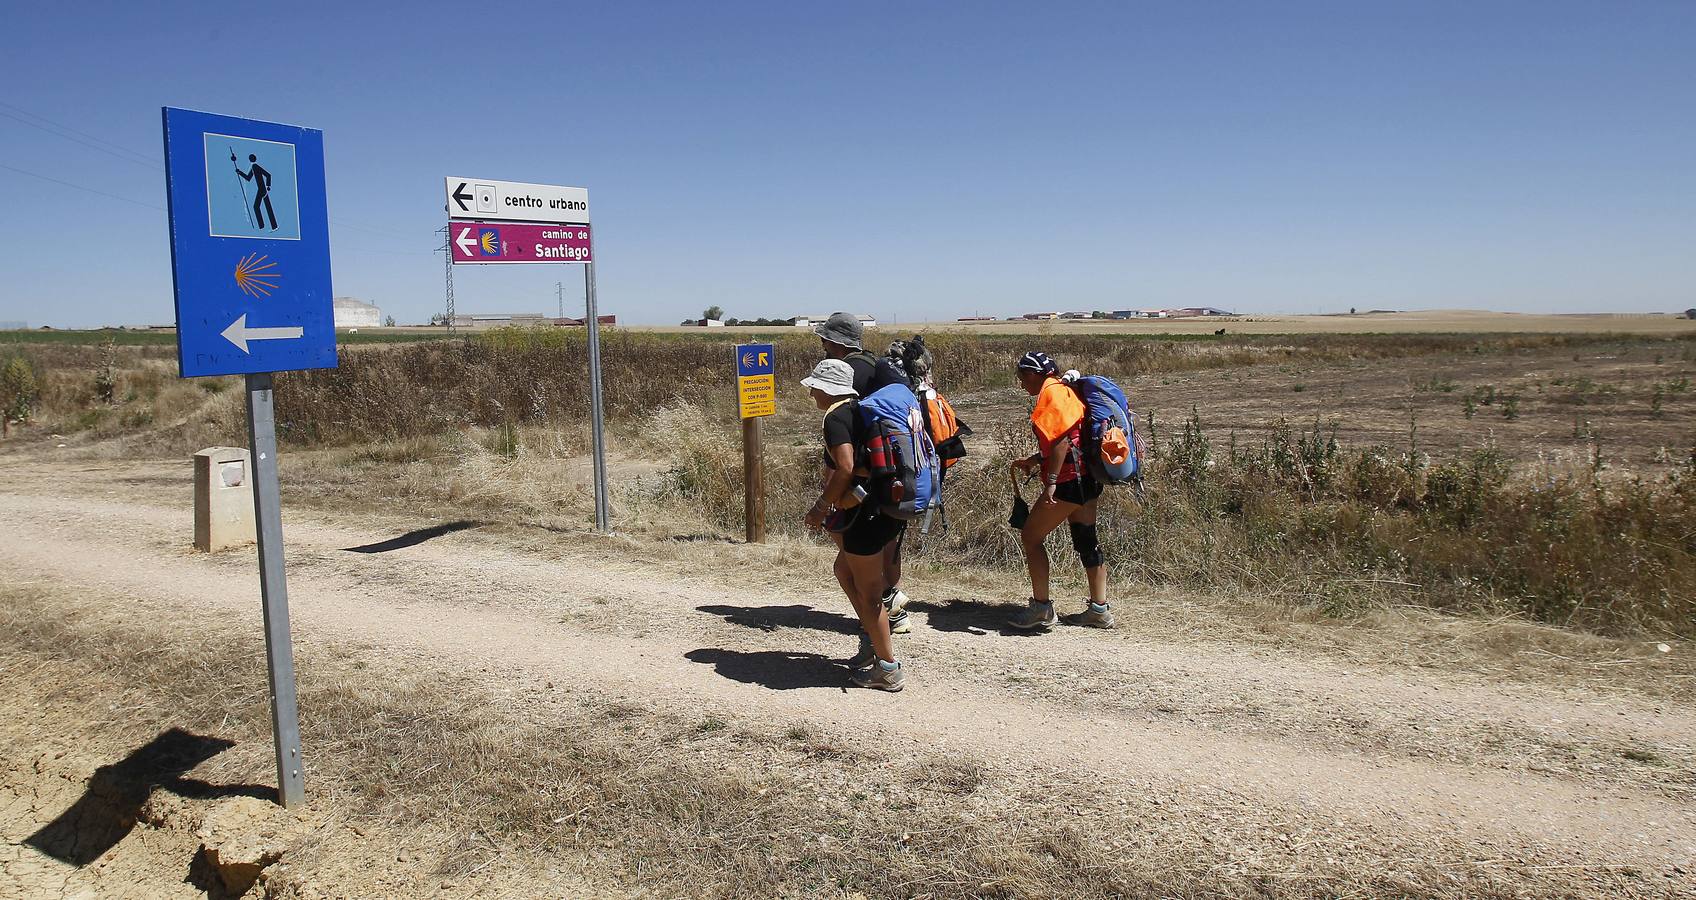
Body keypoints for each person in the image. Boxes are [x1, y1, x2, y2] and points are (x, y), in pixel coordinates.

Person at [800, 358, 905, 691]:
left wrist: (820, 508)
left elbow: (845, 467)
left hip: (864, 515)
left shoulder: (835, 418)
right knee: (844, 572)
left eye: (815, 387)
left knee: (869, 593)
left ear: (828, 389)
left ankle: (887, 669)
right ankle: (875, 643)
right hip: (886, 508)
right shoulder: (861, 409)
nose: (812, 393)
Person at [813, 312, 915, 633]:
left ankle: (883, 613)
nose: (822, 344)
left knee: (850, 551)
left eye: (824, 339)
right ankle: (888, 607)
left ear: (834, 342)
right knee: (882, 545)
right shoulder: (873, 364)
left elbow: (847, 442)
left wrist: (828, 494)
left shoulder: (850, 372)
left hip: (862, 478)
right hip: (892, 473)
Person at [1007, 351, 1115, 630]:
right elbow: (1072, 438)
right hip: (1087, 478)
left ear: (1033, 374)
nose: (1021, 383)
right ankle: (1099, 610)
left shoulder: (1051, 394)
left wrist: (1052, 481)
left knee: (1031, 537)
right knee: (1086, 540)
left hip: (1068, 482)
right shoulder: (1064, 389)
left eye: (1021, 377)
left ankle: (1041, 609)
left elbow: (1062, 442)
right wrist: (1036, 460)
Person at [234, 154, 277, 231]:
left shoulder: (255, 166)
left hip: (262, 189)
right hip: (261, 189)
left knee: (260, 207)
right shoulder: (253, 167)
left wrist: (268, 186)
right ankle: (265, 226)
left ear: (250, 159)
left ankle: (268, 226)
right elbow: (248, 178)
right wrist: (239, 172)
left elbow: (268, 175)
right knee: (262, 207)